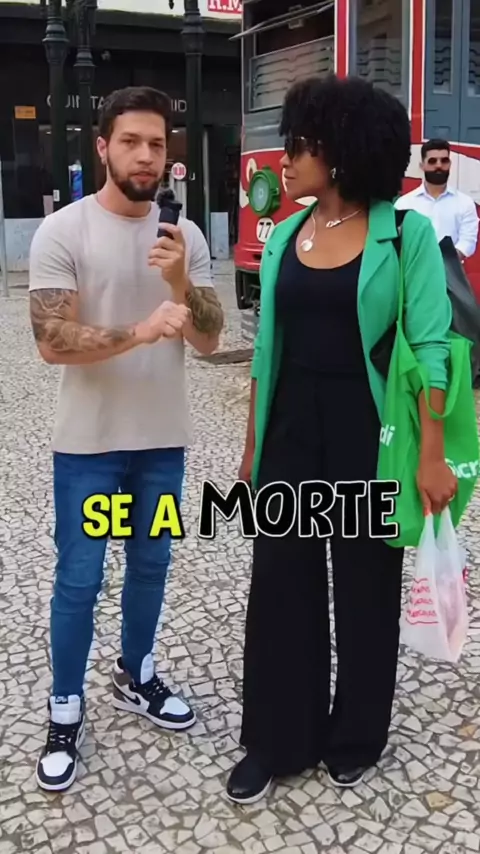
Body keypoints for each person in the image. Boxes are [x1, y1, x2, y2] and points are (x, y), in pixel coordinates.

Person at [226, 74, 458, 805]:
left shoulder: (405, 234)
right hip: (290, 431)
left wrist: (430, 453)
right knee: (280, 583)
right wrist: (252, 444)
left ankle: (356, 735)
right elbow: (265, 350)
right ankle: (276, 739)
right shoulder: (287, 234)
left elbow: (432, 348)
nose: (286, 159)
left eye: (301, 144)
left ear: (344, 149)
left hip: (371, 433)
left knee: (365, 588)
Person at [28, 86, 224, 793]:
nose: (146, 156)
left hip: (162, 444)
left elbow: (210, 340)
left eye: (157, 145)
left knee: (151, 565)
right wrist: (141, 330)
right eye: (132, 142)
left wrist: (180, 280)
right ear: (102, 147)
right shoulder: (64, 232)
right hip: (88, 446)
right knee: (80, 579)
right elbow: (51, 341)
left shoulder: (185, 237)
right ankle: (65, 706)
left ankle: (136, 672)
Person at [395, 138, 479, 262]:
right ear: (422, 166)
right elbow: (398, 242)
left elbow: (468, 242)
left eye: (444, 161)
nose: (439, 165)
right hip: (414, 269)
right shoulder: (404, 204)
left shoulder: (465, 203)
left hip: (449, 270)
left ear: (450, 164)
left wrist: (442, 262)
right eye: (432, 161)